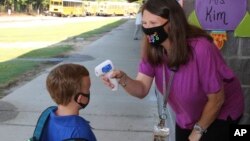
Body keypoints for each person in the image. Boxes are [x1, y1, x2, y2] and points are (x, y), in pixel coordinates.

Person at [102, 0, 244, 141]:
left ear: (172, 23)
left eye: (153, 24)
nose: (148, 29)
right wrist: (123, 79)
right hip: (187, 116)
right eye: (144, 23)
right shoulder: (152, 48)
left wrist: (198, 132)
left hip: (220, 113)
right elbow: (142, 88)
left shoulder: (201, 49)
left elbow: (217, 99)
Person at [41, 63, 96, 141]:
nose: (89, 92)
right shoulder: (80, 133)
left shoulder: (47, 116)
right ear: (79, 98)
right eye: (88, 88)